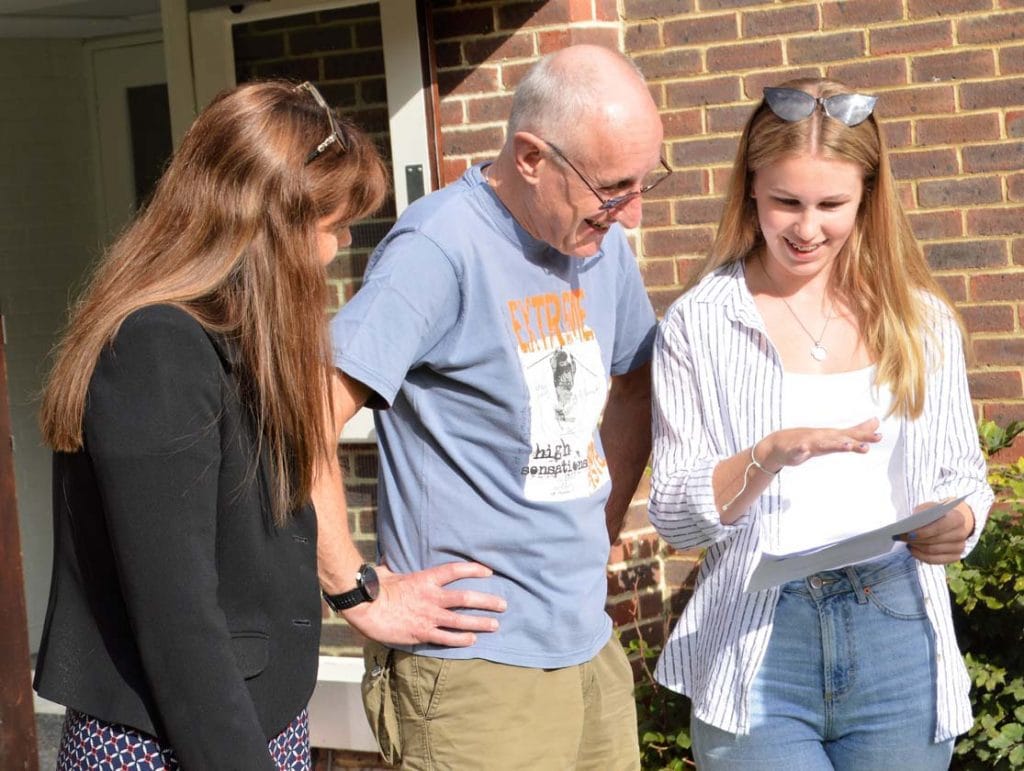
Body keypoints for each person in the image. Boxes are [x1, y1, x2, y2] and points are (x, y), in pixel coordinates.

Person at [313, 45, 662, 769]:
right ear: (531, 156)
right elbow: (304, 414)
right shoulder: (439, 247)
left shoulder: (601, 245)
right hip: (475, 670)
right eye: (612, 187)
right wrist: (355, 590)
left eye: (643, 182)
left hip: (586, 646)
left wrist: (603, 521)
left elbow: (635, 380)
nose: (630, 212)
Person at [33, 79, 388, 770]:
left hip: (246, 722)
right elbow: (178, 618)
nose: (339, 246)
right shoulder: (156, 347)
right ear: (274, 222)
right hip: (167, 742)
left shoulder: (236, 337)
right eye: (333, 225)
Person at [648, 78, 994, 769]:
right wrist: (766, 456)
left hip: (897, 630)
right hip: (760, 643)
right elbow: (674, 518)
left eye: (831, 203)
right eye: (786, 202)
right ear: (750, 188)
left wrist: (959, 524)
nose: (807, 229)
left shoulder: (920, 320)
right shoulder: (699, 323)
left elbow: (965, 478)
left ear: (868, 195)